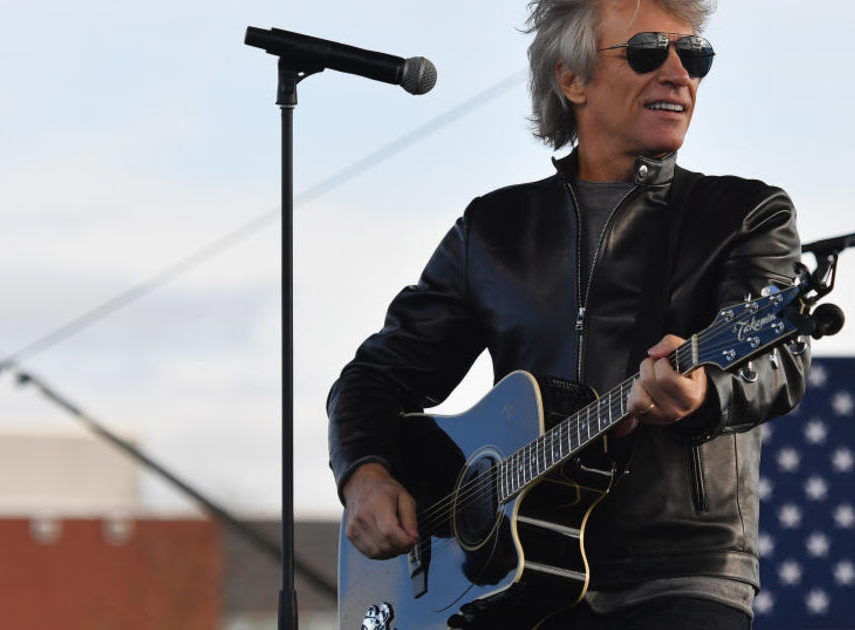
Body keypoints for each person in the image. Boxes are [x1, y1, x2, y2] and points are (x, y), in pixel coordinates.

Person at [328, 1, 808, 628]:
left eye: (694, 56)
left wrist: (706, 392)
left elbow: (776, 360)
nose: (677, 74)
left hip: (678, 573)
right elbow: (374, 381)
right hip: (508, 579)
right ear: (571, 79)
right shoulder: (494, 231)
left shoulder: (744, 214)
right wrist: (364, 472)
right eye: (646, 51)